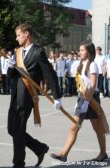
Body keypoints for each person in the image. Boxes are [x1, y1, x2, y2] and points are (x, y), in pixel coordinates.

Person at [7, 23, 62, 168]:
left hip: (27, 97)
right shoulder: (17, 52)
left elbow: (50, 74)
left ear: (27, 34)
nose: (16, 38)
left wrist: (57, 97)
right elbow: (12, 75)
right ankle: (39, 148)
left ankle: (18, 164)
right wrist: (11, 66)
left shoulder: (38, 52)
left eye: (19, 35)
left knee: (18, 130)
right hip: (14, 96)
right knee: (11, 129)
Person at [51, 42, 108, 162]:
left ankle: (103, 153)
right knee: (74, 127)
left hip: (92, 98)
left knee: (97, 128)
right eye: (80, 50)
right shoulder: (81, 64)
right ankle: (64, 153)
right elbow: (81, 85)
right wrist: (80, 101)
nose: (79, 52)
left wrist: (87, 102)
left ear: (89, 51)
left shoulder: (93, 65)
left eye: (82, 50)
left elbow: (92, 86)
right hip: (83, 97)